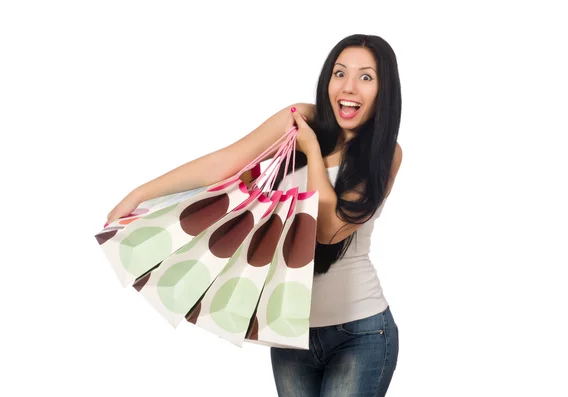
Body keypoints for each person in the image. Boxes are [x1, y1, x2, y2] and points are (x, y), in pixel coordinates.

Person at [106, 33, 403, 397]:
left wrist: (310, 149)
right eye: (339, 73)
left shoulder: (385, 153)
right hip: (289, 329)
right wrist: (138, 194)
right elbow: (225, 164)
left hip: (360, 331)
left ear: (384, 91)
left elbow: (325, 230)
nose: (349, 87)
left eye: (366, 77)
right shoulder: (301, 118)